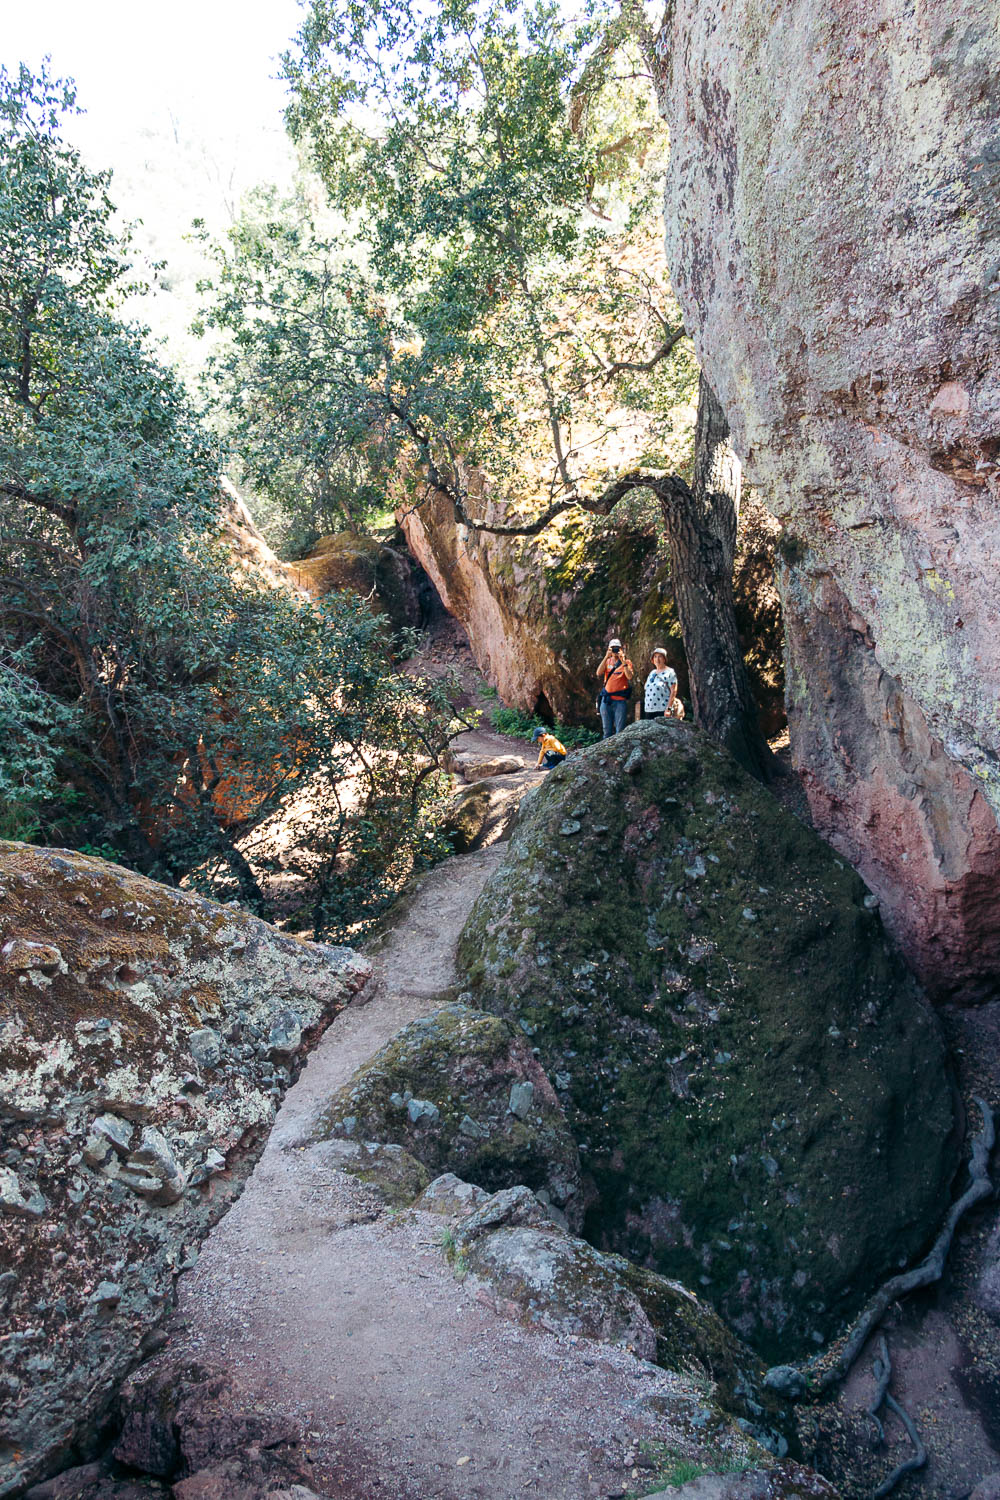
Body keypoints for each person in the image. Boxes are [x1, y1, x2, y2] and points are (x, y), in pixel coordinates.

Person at [597, 637, 634, 737]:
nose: (615, 651)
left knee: (620, 731)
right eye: (613, 648)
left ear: (621, 649)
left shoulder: (627, 662)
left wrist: (623, 662)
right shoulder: (607, 662)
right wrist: (606, 657)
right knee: (606, 730)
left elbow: (629, 676)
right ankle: (605, 751)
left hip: (620, 701)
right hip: (606, 700)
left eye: (617, 648)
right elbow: (598, 672)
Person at [644, 647, 679, 720]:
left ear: (664, 659)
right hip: (649, 709)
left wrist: (669, 709)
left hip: (662, 709)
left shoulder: (670, 672)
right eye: (655, 657)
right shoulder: (652, 673)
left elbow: (673, 691)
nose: (657, 659)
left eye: (660, 656)